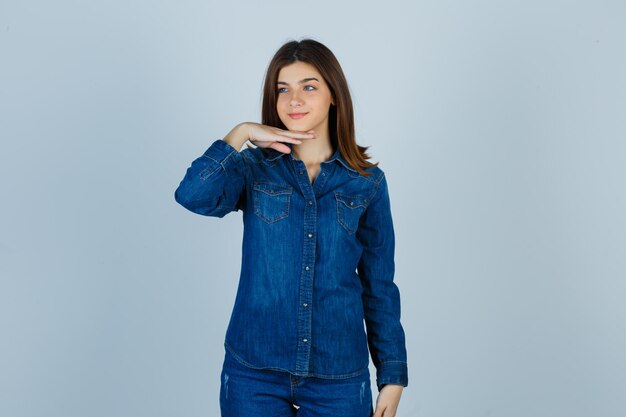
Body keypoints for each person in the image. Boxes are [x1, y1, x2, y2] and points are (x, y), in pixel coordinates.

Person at [174, 38, 408, 417]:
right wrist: (239, 134)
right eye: (283, 89)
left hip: (338, 376)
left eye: (308, 87)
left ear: (335, 95)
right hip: (254, 372)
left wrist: (392, 374)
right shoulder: (253, 168)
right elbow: (192, 196)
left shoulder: (367, 183)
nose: (293, 100)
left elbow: (379, 285)